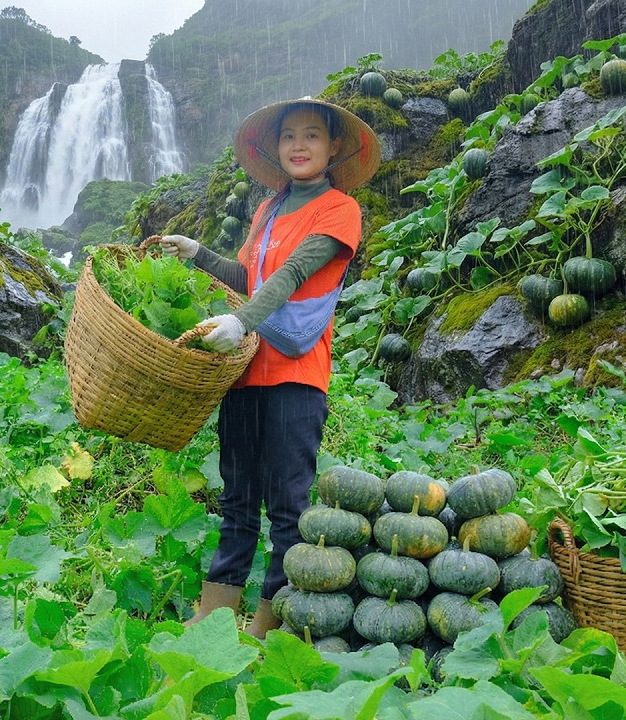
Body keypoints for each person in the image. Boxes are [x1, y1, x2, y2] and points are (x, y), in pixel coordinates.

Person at [159, 97, 380, 638]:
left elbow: (292, 276)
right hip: (244, 371)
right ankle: (215, 614)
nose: (298, 146)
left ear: (334, 147)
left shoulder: (339, 209)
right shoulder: (266, 211)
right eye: (288, 136)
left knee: (287, 505)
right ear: (275, 147)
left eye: (311, 135)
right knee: (236, 499)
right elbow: (250, 278)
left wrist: (240, 321)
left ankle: (270, 621)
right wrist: (199, 254)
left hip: (295, 376)